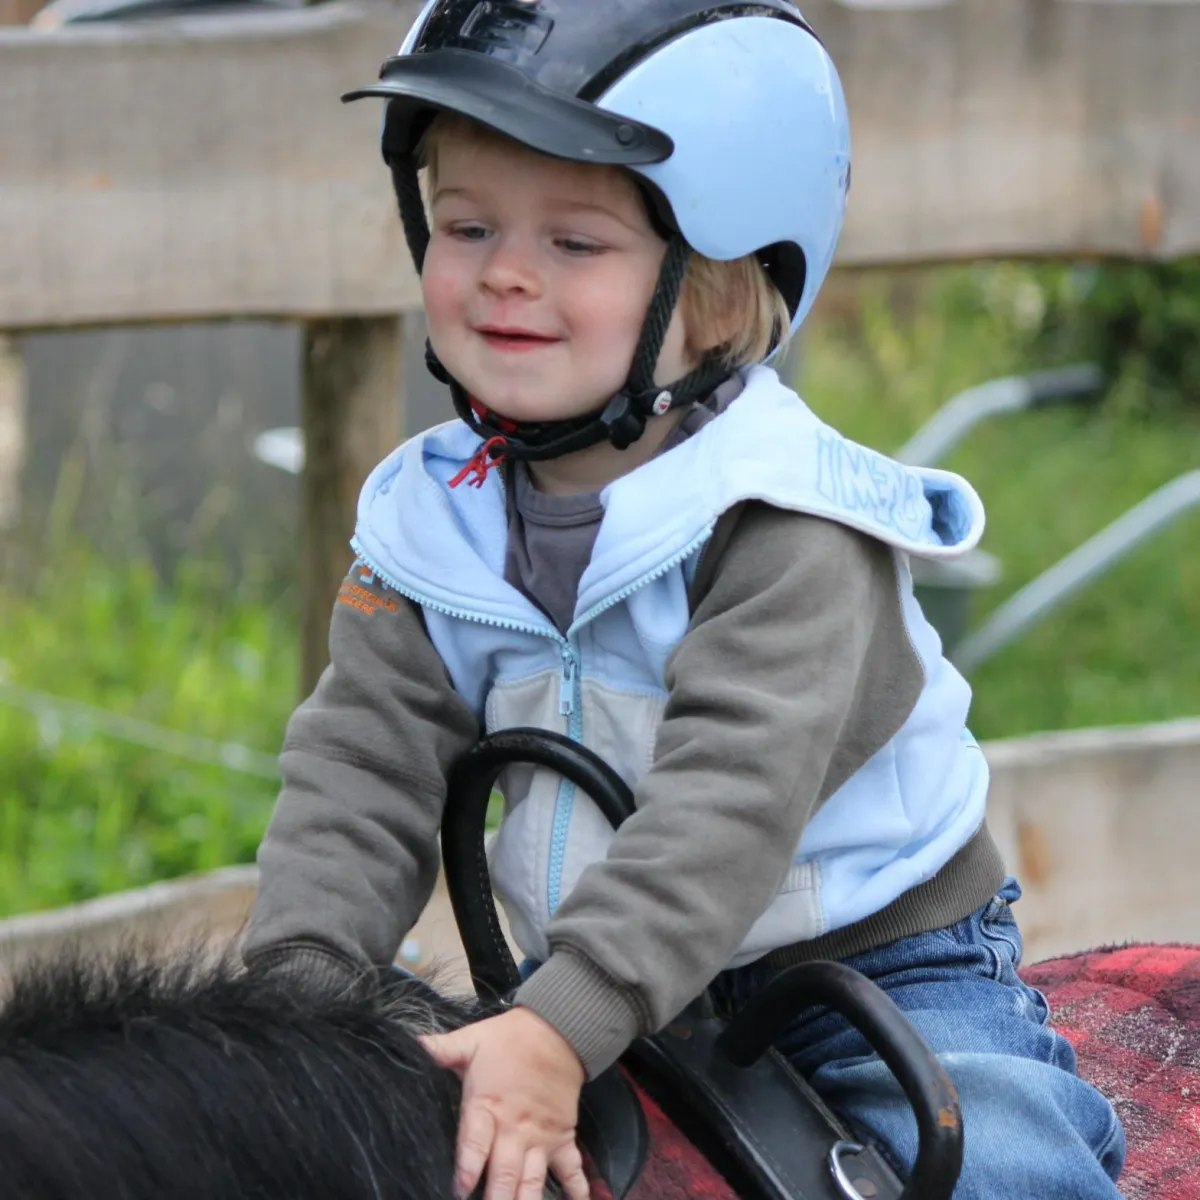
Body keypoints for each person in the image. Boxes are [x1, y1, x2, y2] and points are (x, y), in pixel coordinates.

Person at [242, 2, 1126, 1198]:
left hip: (865, 968)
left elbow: (728, 807)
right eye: (469, 224)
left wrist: (564, 1025)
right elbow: (362, 771)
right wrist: (293, 1008)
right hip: (593, 968)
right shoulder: (428, 522)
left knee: (994, 1173)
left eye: (576, 243)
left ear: (712, 286)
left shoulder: (785, 522)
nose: (505, 270)